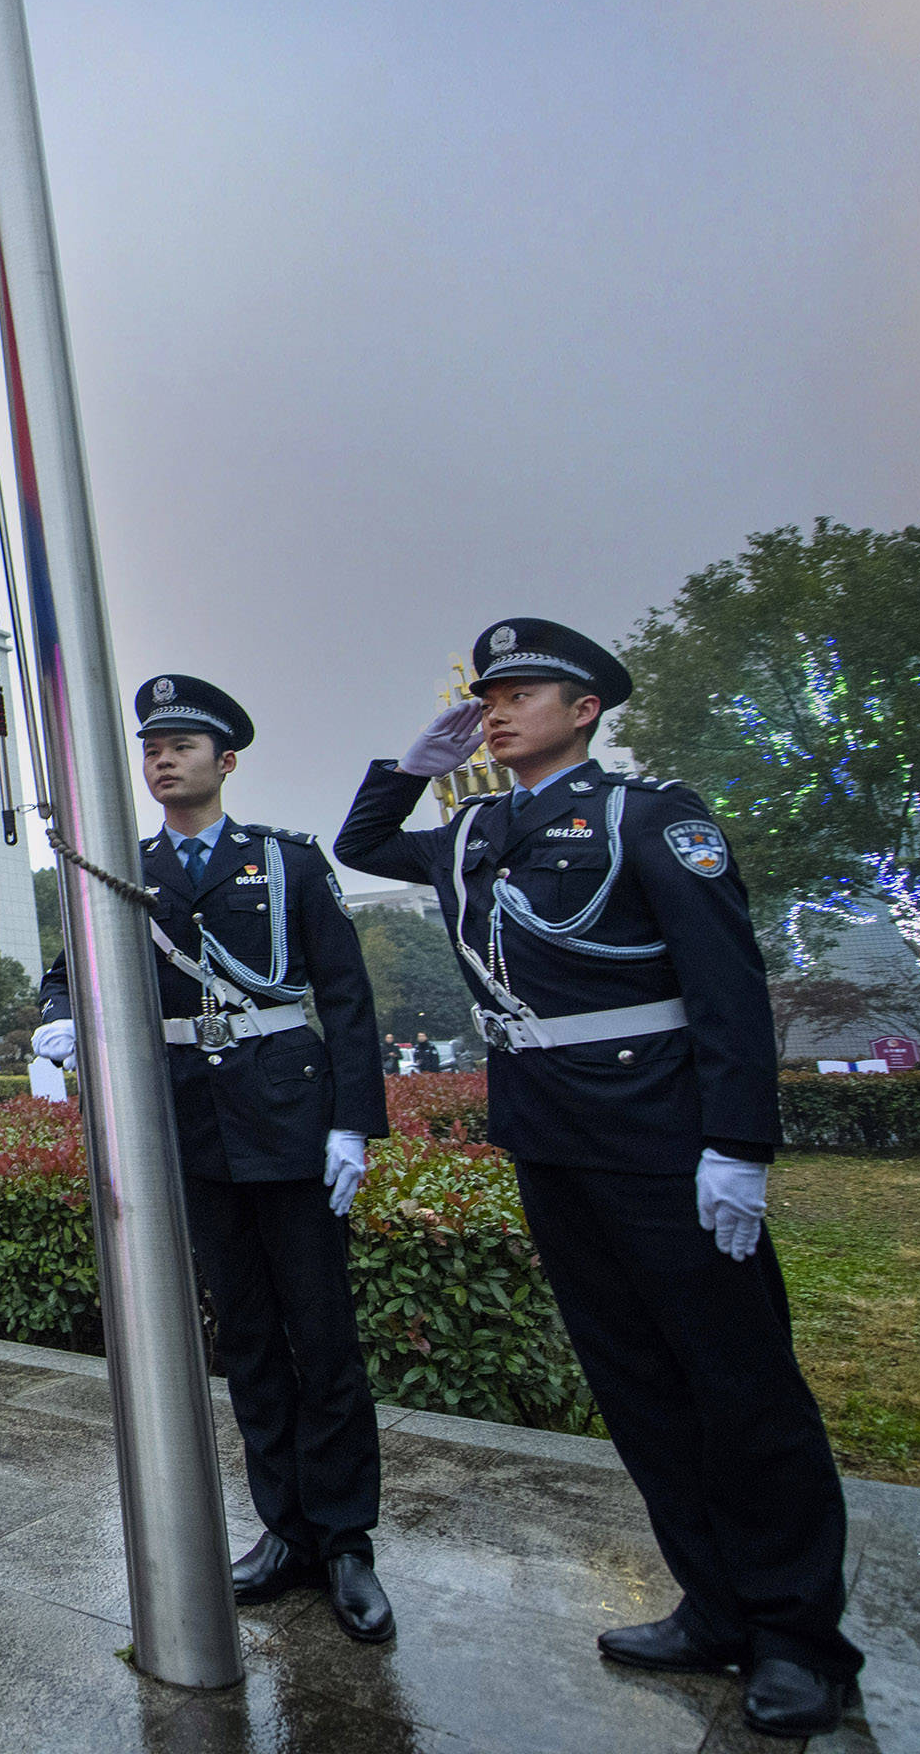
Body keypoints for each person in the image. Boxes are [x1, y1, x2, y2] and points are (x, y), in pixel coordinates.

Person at [335, 618, 860, 1740]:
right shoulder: (472, 828)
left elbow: (726, 985)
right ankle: (715, 1603)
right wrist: (412, 767)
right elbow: (364, 844)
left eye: (523, 690)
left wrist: (739, 1145)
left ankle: (800, 1636)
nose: (499, 707)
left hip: (663, 1135)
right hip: (551, 1138)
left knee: (741, 1385)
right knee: (638, 1386)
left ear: (584, 710)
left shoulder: (648, 816)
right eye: (489, 694)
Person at [35, 675, 393, 1644]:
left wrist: (353, 1122)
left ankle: (346, 1538)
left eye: (183, 743)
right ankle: (284, 1528)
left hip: (286, 1111)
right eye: (151, 743)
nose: (161, 756)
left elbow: (347, 998)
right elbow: (69, 962)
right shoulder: (125, 866)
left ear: (225, 760)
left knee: (322, 1335)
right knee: (246, 1342)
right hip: (188, 1125)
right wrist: (58, 1018)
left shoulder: (283, 862)